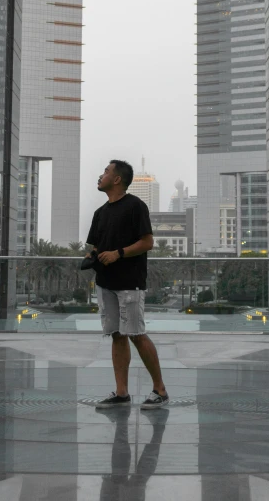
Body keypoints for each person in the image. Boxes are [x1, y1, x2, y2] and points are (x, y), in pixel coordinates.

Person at [86, 159, 169, 410]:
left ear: (117, 179)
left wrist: (118, 253)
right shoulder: (100, 213)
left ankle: (160, 390)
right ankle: (122, 393)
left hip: (129, 283)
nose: (101, 175)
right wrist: (93, 256)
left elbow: (147, 243)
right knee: (117, 335)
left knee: (136, 334)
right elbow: (95, 245)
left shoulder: (135, 206)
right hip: (105, 283)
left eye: (106, 172)